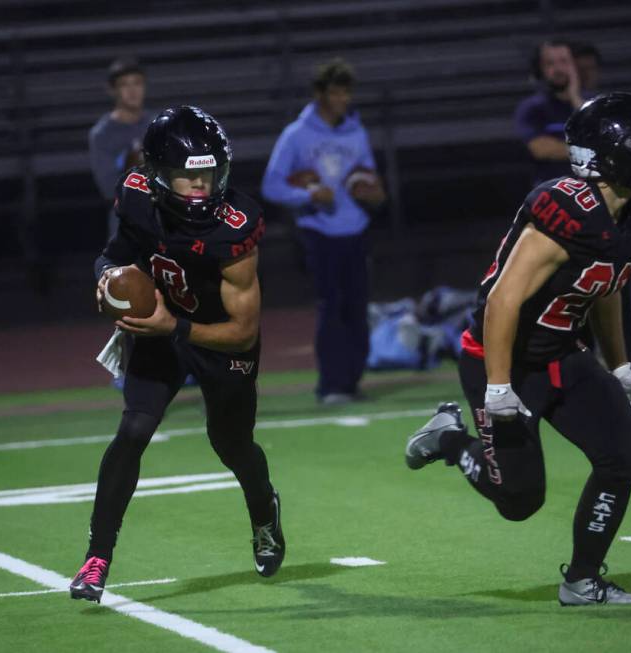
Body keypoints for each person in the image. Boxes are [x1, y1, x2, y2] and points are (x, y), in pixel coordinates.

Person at [405, 93, 631, 605]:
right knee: (518, 500)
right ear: (608, 154)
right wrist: (499, 385)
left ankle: (581, 579)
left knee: (623, 456)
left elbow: (606, 285)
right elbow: (503, 301)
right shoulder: (565, 209)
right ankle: (448, 440)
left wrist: (619, 364)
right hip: (504, 357)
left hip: (564, 354)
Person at [69, 106, 284, 603]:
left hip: (214, 334)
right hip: (162, 328)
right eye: (188, 177)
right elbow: (114, 252)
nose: (201, 187)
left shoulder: (236, 225)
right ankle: (97, 558)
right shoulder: (138, 195)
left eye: (208, 175)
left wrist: (176, 326)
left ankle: (264, 512)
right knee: (133, 430)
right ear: (159, 176)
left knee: (230, 445)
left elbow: (243, 333)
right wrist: (106, 277)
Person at [261, 58, 386, 405]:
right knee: (331, 306)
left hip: (355, 229)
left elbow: (368, 177)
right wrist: (308, 194)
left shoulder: (356, 133)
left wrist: (371, 191)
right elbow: (271, 185)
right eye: (335, 92)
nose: (342, 99)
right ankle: (331, 385)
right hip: (317, 231)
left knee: (357, 307)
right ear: (319, 94)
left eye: (346, 92)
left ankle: (352, 381)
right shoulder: (296, 135)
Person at [89, 57, 153, 239]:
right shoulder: (102, 134)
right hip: (126, 223)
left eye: (137, 83)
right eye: (125, 85)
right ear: (113, 90)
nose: (133, 91)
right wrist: (133, 160)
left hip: (163, 219)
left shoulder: (157, 124)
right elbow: (108, 188)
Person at [515, 40, 585, 188]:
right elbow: (541, 149)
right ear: (540, 70)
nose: (558, 69)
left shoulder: (593, 103)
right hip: (551, 193)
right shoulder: (532, 108)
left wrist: (575, 97)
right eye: (550, 63)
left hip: (592, 193)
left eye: (564, 61)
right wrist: (591, 150)